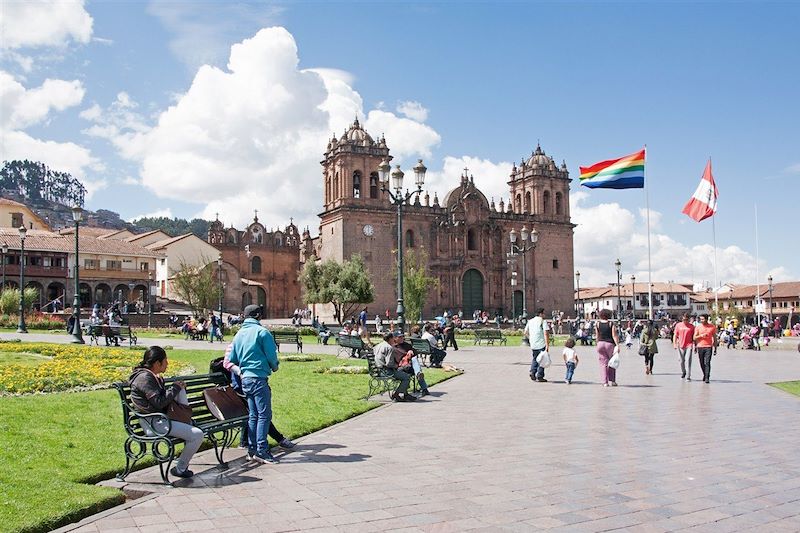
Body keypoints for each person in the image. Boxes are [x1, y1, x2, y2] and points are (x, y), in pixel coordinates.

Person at [129, 346, 203, 478]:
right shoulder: (145, 378)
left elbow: (159, 400)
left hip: (161, 420)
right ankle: (180, 469)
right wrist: (174, 388)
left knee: (180, 390)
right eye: (165, 361)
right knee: (197, 435)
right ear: (157, 363)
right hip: (153, 424)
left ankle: (187, 419)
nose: (167, 363)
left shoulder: (150, 376)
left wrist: (176, 388)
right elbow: (159, 402)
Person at [228, 305, 280, 464]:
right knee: (264, 415)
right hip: (258, 377)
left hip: (245, 379)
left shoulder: (239, 334)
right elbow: (272, 355)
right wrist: (274, 366)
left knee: (253, 415)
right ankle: (262, 450)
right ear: (258, 316)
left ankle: (252, 449)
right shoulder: (262, 333)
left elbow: (232, 359)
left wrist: (242, 370)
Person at [221, 344, 295, 450]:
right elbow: (227, 363)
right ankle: (278, 440)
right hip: (241, 387)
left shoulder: (252, 343)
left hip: (249, 384)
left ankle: (244, 442)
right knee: (261, 414)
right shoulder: (235, 344)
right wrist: (241, 372)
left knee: (255, 413)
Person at [372, 332, 417, 401]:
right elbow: (389, 364)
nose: (394, 339)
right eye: (393, 338)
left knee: (404, 373)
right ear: (390, 339)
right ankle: (396, 394)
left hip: (377, 370)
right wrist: (397, 366)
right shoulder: (389, 347)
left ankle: (406, 395)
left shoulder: (378, 346)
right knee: (406, 377)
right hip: (386, 371)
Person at [524, 308, 550, 382]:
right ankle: (540, 376)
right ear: (540, 314)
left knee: (535, 358)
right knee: (542, 359)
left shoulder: (530, 321)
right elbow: (546, 333)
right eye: (544, 313)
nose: (544, 315)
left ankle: (533, 371)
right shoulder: (543, 321)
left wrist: (530, 338)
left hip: (533, 343)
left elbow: (525, 332)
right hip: (541, 343)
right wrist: (547, 344)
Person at [594, 309, 619, 387]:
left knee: (603, 364)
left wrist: (597, 344)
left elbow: (597, 336)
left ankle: (605, 382)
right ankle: (613, 381)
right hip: (610, 344)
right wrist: (617, 345)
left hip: (600, 344)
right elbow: (614, 335)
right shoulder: (611, 324)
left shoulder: (597, 324)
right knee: (612, 362)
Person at [693, 314, 717, 383]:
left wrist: (715, 348)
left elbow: (715, 338)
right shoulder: (698, 327)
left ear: (706, 319)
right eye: (701, 319)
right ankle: (704, 374)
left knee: (707, 362)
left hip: (708, 347)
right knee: (701, 362)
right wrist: (701, 336)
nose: (701, 321)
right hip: (700, 346)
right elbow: (694, 338)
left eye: (703, 319)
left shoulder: (712, 327)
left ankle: (707, 377)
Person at [673, 313, 695, 380]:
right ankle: (684, 372)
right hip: (680, 345)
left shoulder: (692, 326)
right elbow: (675, 335)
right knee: (681, 361)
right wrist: (674, 343)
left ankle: (688, 376)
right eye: (683, 319)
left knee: (688, 360)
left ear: (689, 319)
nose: (685, 321)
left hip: (689, 345)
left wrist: (695, 345)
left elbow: (694, 337)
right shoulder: (678, 325)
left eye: (686, 319)